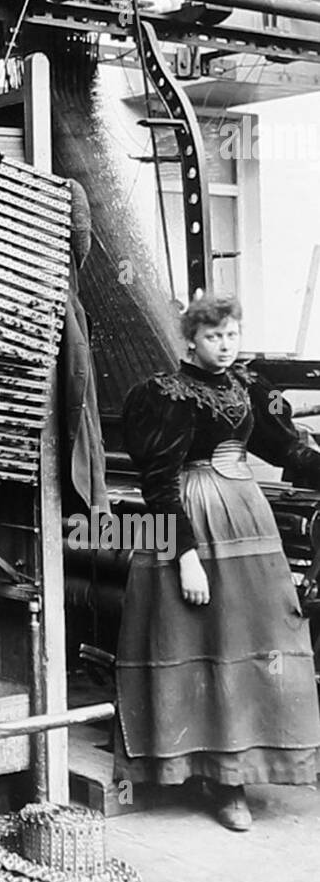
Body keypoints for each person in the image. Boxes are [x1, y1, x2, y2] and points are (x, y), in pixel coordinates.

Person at [116, 294, 320, 831]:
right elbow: (157, 484)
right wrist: (185, 557)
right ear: (190, 341)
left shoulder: (250, 386)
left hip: (249, 516)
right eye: (213, 337)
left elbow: (287, 450)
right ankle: (219, 781)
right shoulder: (165, 394)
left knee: (257, 636)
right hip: (193, 518)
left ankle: (250, 766)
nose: (225, 346)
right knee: (204, 641)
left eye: (231, 334)